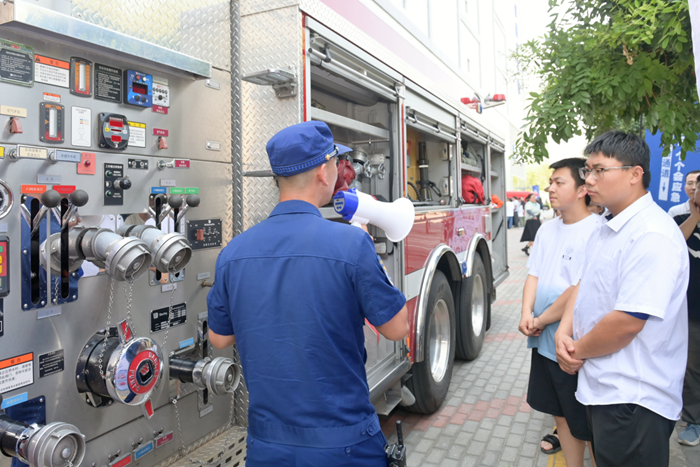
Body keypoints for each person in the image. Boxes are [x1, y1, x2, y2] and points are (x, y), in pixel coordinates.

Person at [206, 121, 409, 466]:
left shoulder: (233, 252)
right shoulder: (352, 244)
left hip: (267, 446)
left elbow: (220, 338)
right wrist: (370, 257)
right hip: (344, 444)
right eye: (336, 163)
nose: (338, 171)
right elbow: (397, 327)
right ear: (322, 172)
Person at [555, 131, 689, 467]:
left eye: (600, 170)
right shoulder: (607, 225)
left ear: (634, 174)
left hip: (633, 400)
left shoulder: (652, 234)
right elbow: (584, 284)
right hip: (603, 387)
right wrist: (563, 332)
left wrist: (575, 351)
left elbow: (628, 322)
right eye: (587, 170)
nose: (589, 179)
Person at [518, 158, 598, 466]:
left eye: (559, 182)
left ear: (582, 190)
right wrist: (526, 313)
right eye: (550, 182)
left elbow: (577, 290)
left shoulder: (596, 231)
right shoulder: (546, 229)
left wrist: (540, 319)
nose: (550, 188)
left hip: (571, 343)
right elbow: (534, 274)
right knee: (561, 414)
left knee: (585, 422)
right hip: (543, 340)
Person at [673, 172, 700, 446]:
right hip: (689, 311)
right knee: (691, 368)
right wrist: (695, 215)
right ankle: (693, 421)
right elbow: (673, 247)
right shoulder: (679, 220)